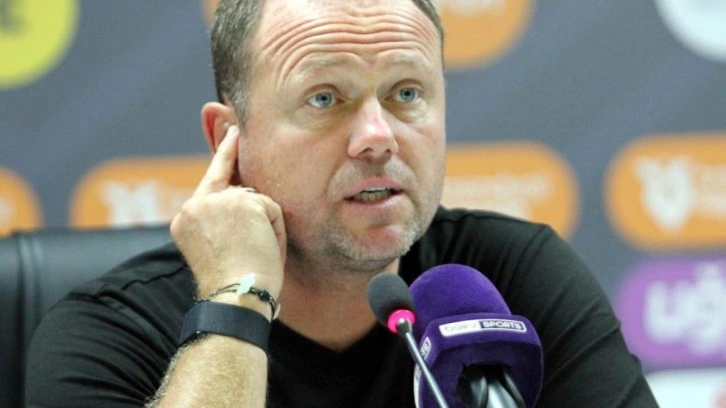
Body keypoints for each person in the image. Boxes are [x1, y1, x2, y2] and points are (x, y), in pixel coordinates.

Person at [25, 0, 658, 406]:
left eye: (407, 93)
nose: (379, 137)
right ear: (229, 140)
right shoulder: (109, 332)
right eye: (325, 98)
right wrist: (236, 301)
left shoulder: (508, 279)